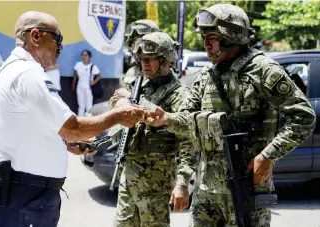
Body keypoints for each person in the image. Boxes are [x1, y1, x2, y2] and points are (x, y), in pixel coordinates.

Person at [145, 4, 316, 227]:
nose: (206, 42)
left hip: (246, 186)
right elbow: (187, 118)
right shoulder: (206, 76)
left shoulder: (263, 70)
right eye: (204, 36)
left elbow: (304, 116)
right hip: (207, 189)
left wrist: (268, 156)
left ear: (232, 36)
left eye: (212, 37)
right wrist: (166, 118)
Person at [0, 11, 146, 227]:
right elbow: (74, 128)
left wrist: (62, 142)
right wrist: (119, 115)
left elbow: (25, 126)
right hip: (25, 198)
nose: (61, 47)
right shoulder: (28, 73)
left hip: (15, 193)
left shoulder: (10, 68)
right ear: (36, 36)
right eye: (57, 39)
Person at [113, 32, 197, 227]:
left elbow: (189, 141)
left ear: (166, 60)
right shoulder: (139, 85)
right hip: (130, 175)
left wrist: (182, 183)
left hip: (156, 182)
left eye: (151, 59)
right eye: (142, 59)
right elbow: (116, 104)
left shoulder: (179, 95)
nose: (145, 63)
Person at [110, 19, 160, 108]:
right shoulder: (133, 70)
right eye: (133, 44)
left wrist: (129, 96)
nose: (136, 48)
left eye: (141, 44)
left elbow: (160, 110)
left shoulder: (161, 71)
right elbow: (116, 99)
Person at [72, 50, 101, 116]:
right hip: (80, 87)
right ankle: (80, 120)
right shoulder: (78, 65)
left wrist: (93, 83)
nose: (84, 57)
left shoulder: (93, 66)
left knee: (89, 106)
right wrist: (73, 85)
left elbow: (99, 76)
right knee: (81, 105)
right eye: (82, 55)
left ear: (89, 56)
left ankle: (88, 121)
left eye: (85, 55)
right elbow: (75, 75)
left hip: (88, 88)